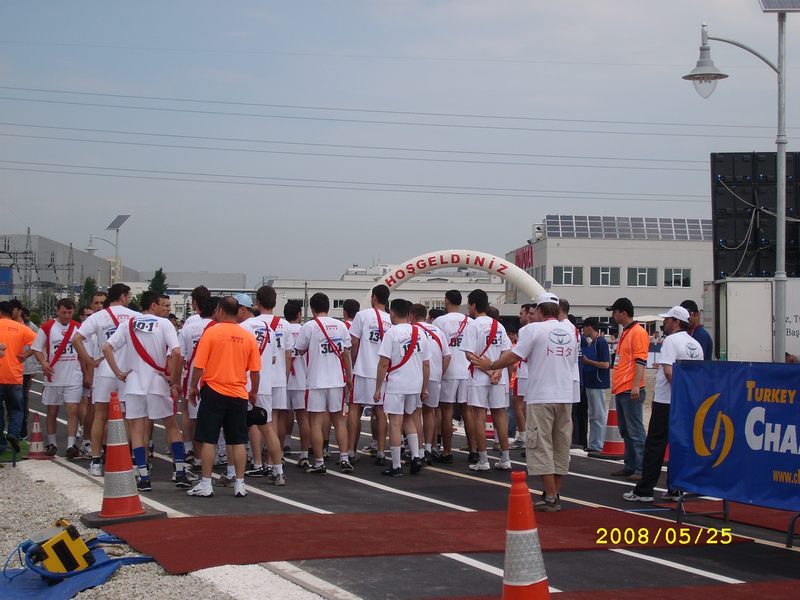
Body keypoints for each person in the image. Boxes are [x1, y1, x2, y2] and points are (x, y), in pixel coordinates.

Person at [471, 292, 578, 511]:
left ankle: (550, 497)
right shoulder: (570, 331)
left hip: (542, 395)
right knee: (560, 446)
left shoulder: (533, 330)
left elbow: (514, 356)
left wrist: (491, 366)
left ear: (539, 310)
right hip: (565, 395)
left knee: (540, 445)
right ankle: (553, 493)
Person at [103, 291, 188, 490]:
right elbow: (177, 352)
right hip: (157, 383)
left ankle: (143, 475)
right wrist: (174, 379)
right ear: (153, 305)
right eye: (162, 304)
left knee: (137, 429)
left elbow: (106, 348)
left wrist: (118, 373)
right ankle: (180, 472)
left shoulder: (128, 324)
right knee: (171, 426)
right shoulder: (164, 324)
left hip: (134, 384)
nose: (165, 308)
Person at [624, 306, 704, 503]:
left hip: (666, 400)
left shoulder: (671, 341)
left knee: (655, 445)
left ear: (676, 322)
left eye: (667, 320)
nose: (664, 323)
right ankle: (675, 488)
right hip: (685, 403)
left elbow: (668, 371)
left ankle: (645, 490)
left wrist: (677, 391)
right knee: (678, 446)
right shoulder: (695, 344)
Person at [187, 296, 261, 498]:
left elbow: (199, 365)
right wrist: (253, 391)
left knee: (209, 439)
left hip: (214, 390)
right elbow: (255, 371)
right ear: (237, 311)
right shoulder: (247, 336)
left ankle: (206, 483)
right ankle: (240, 483)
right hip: (238, 392)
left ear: (219, 310)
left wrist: (193, 387)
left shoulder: (211, 332)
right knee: (238, 440)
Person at [72, 283, 139, 476]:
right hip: (127, 373)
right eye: (128, 296)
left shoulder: (98, 316)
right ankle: (127, 461)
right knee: (128, 417)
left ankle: (95, 462)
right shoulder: (135, 317)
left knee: (100, 416)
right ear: (123, 297)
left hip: (104, 371)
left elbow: (76, 339)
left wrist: (90, 361)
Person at [293, 292, 354, 474]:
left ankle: (319, 462)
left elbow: (300, 350)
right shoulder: (341, 326)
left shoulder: (309, 326)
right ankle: (344, 458)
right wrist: (349, 377)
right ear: (328, 307)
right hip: (336, 379)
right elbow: (346, 353)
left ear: (312, 308)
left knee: (316, 422)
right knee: (339, 420)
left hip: (316, 381)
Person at [375, 299, 430, 476]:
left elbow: (384, 363)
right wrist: (425, 387)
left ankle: (396, 465)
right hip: (415, 383)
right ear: (409, 314)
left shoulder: (392, 333)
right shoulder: (420, 332)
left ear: (392, 313)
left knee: (395, 422)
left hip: (397, 383)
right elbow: (426, 363)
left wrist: (378, 388)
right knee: (410, 419)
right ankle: (416, 457)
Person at [461, 289, 513, 472]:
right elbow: (507, 352)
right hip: (499, 377)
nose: (468, 308)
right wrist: (496, 370)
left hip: (479, 377)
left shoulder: (473, 326)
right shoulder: (499, 326)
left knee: (479, 416)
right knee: (500, 415)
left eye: (469, 304)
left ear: (474, 305)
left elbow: (469, 355)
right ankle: (505, 458)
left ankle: (483, 460)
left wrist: (489, 371)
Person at [238, 291, 285, 485]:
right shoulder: (268, 329)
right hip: (265, 384)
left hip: (244, 385)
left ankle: (246, 468)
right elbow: (273, 359)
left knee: (239, 429)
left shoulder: (242, 328)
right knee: (268, 428)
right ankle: (278, 470)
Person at [31, 298, 83, 458]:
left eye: (69, 312)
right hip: (54, 376)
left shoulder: (78, 327)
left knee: (72, 410)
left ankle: (71, 445)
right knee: (52, 411)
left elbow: (84, 350)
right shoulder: (47, 327)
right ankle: (52, 443)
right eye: (63, 312)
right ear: (57, 310)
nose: (66, 316)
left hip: (73, 376)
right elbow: (36, 348)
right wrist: (43, 363)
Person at [606, 297, 649, 481]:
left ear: (623, 313)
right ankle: (631, 465)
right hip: (622, 388)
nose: (613, 315)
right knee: (626, 430)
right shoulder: (627, 332)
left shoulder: (637, 332)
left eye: (615, 312)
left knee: (635, 431)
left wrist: (635, 385)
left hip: (630, 388)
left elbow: (641, 361)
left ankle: (641, 468)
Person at [348, 285, 392, 465]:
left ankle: (351, 451)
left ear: (373, 297)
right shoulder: (391, 319)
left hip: (363, 369)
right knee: (380, 412)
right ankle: (381, 451)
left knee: (354, 408)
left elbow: (354, 342)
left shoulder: (362, 315)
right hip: (383, 372)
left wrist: (353, 363)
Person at [251, 287, 293, 462]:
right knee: (274, 419)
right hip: (279, 377)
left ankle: (257, 461)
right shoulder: (285, 325)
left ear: (258, 302)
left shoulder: (252, 324)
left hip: (259, 377)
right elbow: (288, 355)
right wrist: (285, 377)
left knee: (255, 420)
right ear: (275, 303)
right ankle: (272, 461)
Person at [432, 290, 473, 464]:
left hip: (448, 370)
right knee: (467, 411)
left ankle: (447, 451)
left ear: (446, 301)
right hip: (467, 370)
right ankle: (474, 450)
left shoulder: (439, 321)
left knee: (446, 411)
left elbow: (436, 347)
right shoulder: (470, 322)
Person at [410, 303, 450, 464]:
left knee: (415, 413)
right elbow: (447, 355)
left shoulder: (413, 330)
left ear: (411, 316)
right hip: (435, 375)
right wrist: (440, 372)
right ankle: (429, 447)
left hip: (418, 375)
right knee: (430, 411)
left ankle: (418, 450)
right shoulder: (438, 331)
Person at [0, 300, 37, 454]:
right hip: (14, 376)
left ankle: (1, 445)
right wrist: (25, 355)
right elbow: (38, 342)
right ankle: (14, 434)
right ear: (11, 313)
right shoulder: (20, 328)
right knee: (16, 409)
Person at [285, 301, 311, 469]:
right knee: (303, 417)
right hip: (302, 379)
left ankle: (283, 446)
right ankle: (304, 453)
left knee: (282, 415)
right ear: (299, 315)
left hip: (284, 379)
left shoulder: (281, 329)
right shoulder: (304, 330)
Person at [581, 317, 610, 453]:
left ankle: (598, 444)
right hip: (592, 382)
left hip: (598, 382)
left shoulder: (601, 342)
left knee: (598, 415)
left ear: (589, 327)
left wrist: (588, 362)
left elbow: (606, 364)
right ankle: (594, 443)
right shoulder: (594, 342)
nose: (583, 330)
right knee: (593, 415)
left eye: (584, 327)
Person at [19, 306, 39, 439]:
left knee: (24, 396)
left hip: (27, 367)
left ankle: (23, 423)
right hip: (14, 367)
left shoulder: (32, 327)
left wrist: (35, 366)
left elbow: (37, 345)